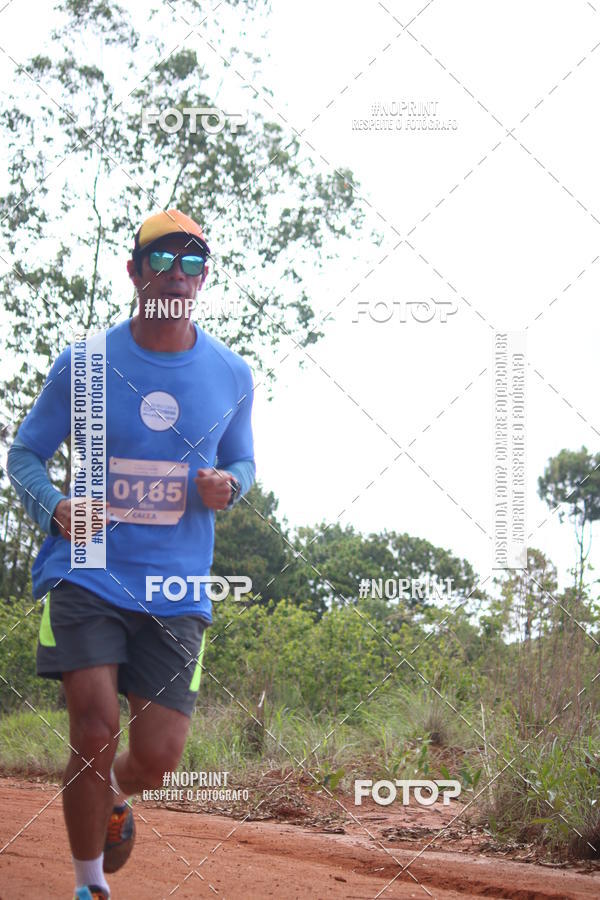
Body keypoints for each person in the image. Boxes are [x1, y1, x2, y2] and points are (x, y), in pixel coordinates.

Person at [7, 209, 256, 900]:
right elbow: (24, 453)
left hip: (176, 586)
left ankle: (113, 792)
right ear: (134, 270)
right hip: (84, 562)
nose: (176, 275)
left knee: (156, 756)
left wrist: (228, 487)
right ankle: (91, 887)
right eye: (161, 259)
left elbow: (244, 461)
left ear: (205, 277)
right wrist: (53, 505)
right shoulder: (86, 364)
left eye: (192, 262)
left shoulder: (231, 374)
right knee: (93, 725)